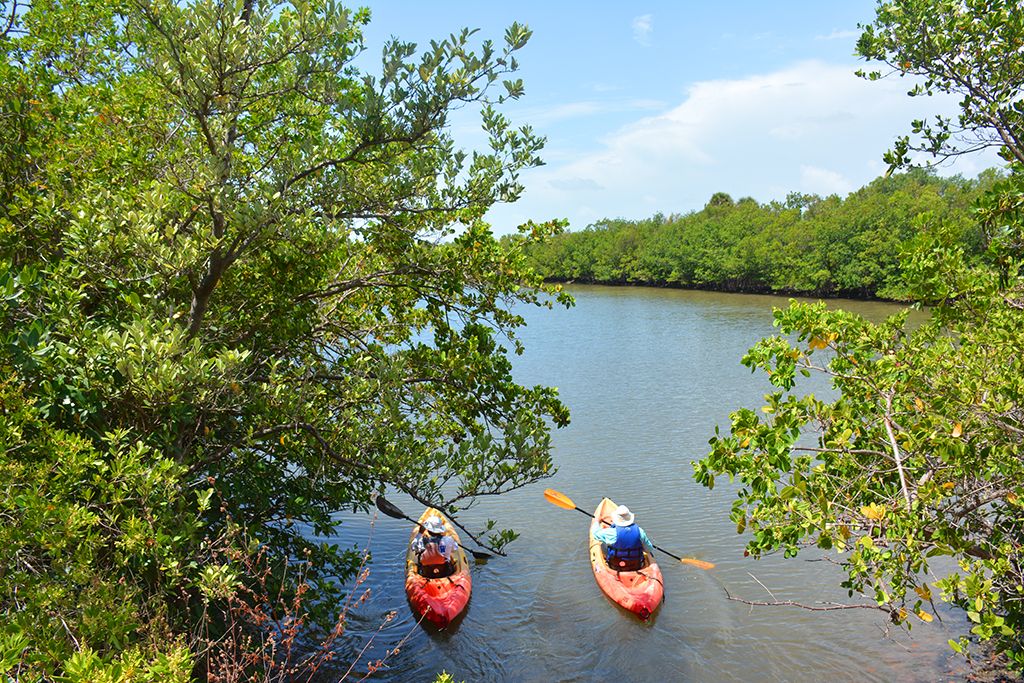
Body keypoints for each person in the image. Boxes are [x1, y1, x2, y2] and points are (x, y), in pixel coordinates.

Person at [592, 504, 654, 572]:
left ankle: (606, 562)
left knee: (603, 544)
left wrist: (596, 521)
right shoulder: (640, 531)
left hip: (615, 565)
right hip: (636, 565)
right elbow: (649, 549)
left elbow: (595, 534)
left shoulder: (610, 533)